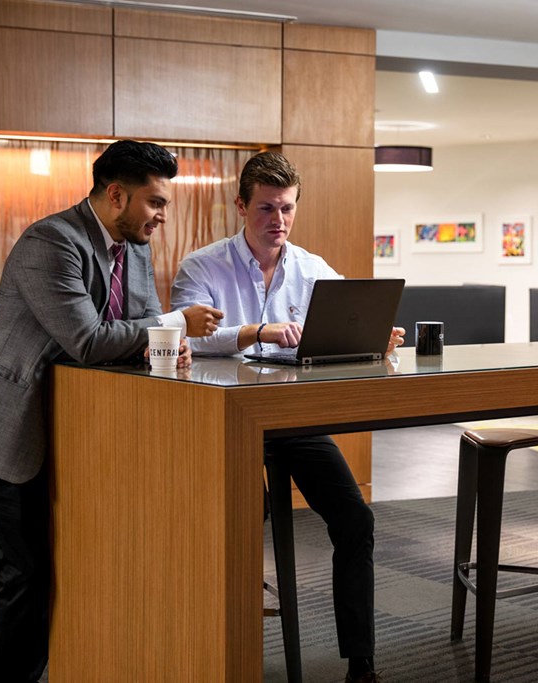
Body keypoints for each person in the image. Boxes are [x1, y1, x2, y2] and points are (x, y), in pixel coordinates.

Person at [0, 140, 224, 682]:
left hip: (84, 432)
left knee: (78, 566)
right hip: (13, 429)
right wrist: (173, 326)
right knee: (23, 575)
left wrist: (169, 339)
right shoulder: (51, 241)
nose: (163, 216)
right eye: (156, 203)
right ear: (116, 195)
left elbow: (141, 326)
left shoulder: (134, 246)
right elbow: (88, 339)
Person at [171, 151, 401, 683]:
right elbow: (186, 335)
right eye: (267, 209)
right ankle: (216, 652)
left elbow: (344, 325)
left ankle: (360, 664)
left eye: (288, 209)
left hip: (292, 416)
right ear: (241, 207)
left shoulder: (312, 269)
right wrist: (258, 330)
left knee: (355, 521)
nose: (278, 221)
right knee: (243, 526)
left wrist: (373, 338)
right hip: (223, 418)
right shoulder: (201, 266)